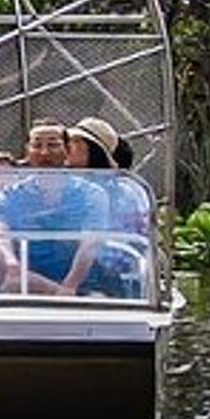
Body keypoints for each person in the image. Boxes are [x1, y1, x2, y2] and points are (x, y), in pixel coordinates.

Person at [0, 121, 109, 295]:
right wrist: (12, 265)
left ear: (67, 151)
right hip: (26, 282)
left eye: (53, 145)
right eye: (37, 145)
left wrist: (70, 286)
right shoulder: (11, 195)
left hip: (81, 285)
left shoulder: (91, 194)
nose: (44, 152)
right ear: (28, 151)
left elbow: (91, 243)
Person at [64, 116, 150, 299]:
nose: (67, 147)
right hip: (64, 273)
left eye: (75, 142)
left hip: (109, 281)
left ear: (94, 150)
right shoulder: (63, 186)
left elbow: (118, 253)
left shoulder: (122, 193)